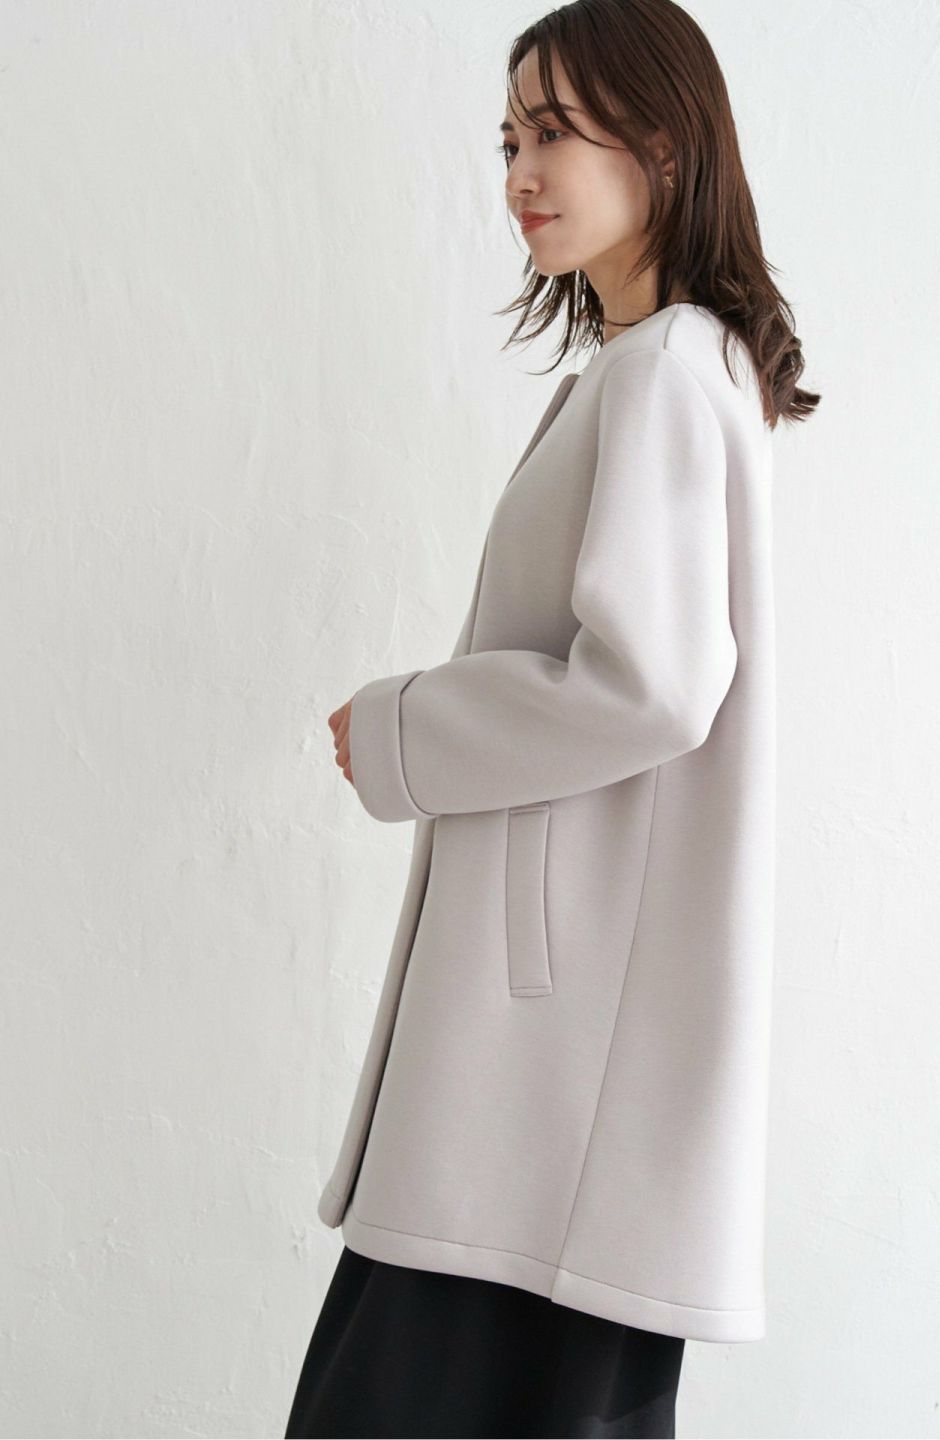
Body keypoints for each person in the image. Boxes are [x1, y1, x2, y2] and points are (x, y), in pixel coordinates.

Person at [286, 1, 819, 1435]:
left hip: (547, 1072)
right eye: (509, 139)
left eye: (556, 134)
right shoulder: (668, 367)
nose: (521, 172)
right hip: (559, 1062)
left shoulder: (665, 373)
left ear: (664, 145)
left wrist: (400, 730)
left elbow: (653, 683)